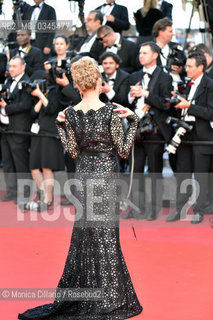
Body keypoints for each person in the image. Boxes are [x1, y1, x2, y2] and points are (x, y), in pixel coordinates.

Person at [18, 56, 143, 320]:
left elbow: (73, 152)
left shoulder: (71, 114)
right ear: (98, 80)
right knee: (106, 237)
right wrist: (134, 121)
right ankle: (111, 299)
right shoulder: (110, 112)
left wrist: (61, 127)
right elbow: (122, 151)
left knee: (87, 237)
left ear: (76, 83)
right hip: (106, 178)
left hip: (84, 178)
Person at [127, 41, 173, 220]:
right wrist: (132, 95)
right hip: (136, 129)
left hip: (155, 130)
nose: (141, 56)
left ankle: (153, 209)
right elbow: (126, 99)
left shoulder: (165, 77)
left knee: (154, 170)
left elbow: (166, 104)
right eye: (140, 53)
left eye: (145, 53)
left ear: (155, 55)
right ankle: (136, 207)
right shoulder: (134, 75)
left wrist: (146, 94)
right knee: (135, 170)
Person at [166, 51, 213, 224]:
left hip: (203, 136)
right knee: (182, 173)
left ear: (200, 67)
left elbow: (211, 112)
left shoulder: (210, 85)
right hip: (185, 135)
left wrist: (189, 106)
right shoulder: (187, 84)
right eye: (186, 66)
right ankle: (179, 208)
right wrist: (178, 101)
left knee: (201, 176)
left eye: (190, 66)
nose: (186, 69)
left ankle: (199, 210)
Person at [19, 70, 65, 212]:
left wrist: (41, 95)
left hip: (50, 134)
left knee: (46, 167)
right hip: (38, 134)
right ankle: (43, 193)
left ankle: (47, 199)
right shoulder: (36, 95)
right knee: (34, 166)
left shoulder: (55, 92)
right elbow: (33, 113)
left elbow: (52, 109)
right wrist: (39, 97)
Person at [0, 56, 33, 202]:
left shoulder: (27, 82)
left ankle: (25, 193)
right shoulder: (7, 81)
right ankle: (11, 190)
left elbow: (26, 105)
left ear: (23, 67)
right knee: (7, 162)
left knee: (20, 163)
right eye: (10, 66)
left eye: (14, 66)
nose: (11, 69)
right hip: (5, 129)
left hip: (19, 129)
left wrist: (6, 108)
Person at [153, 17, 186, 83]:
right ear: (161, 32)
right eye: (170, 31)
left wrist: (181, 70)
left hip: (177, 85)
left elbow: (187, 66)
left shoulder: (177, 48)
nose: (173, 34)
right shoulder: (149, 49)